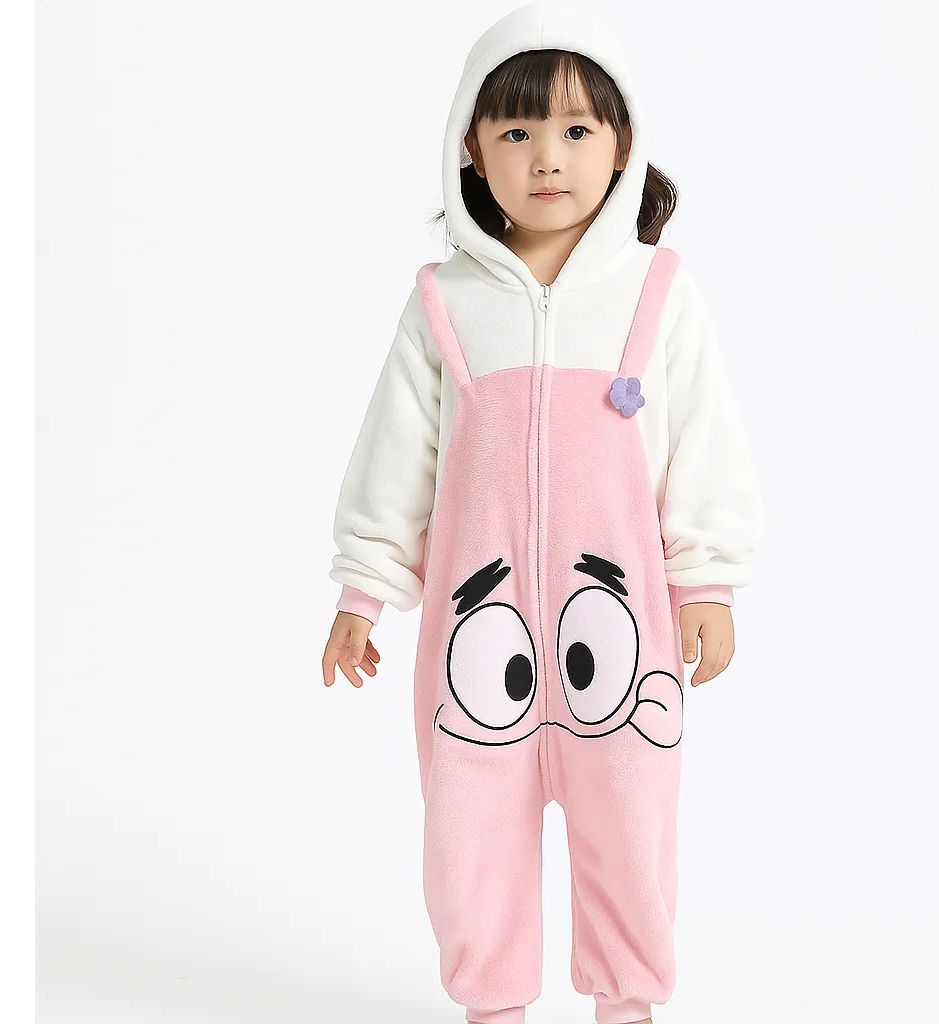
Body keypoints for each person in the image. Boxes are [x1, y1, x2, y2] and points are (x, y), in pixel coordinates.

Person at [320, 3, 764, 1022]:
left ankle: (627, 1001)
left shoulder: (656, 291)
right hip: (475, 643)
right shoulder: (444, 302)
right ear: (470, 151)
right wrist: (362, 588)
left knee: (633, 829)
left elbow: (704, 444)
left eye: (574, 129)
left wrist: (705, 579)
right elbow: (395, 456)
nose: (547, 157)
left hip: (624, 637)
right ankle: (491, 1004)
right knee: (466, 836)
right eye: (515, 131)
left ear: (620, 145)